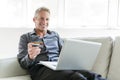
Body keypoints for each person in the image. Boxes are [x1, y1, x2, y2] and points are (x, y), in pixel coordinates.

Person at [17, 7, 106, 80]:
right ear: (34, 19)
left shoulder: (55, 35)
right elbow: (22, 63)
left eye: (47, 19)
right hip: (41, 70)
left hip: (58, 66)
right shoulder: (25, 37)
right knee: (76, 77)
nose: (44, 22)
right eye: (41, 18)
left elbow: (65, 53)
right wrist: (30, 57)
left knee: (92, 75)